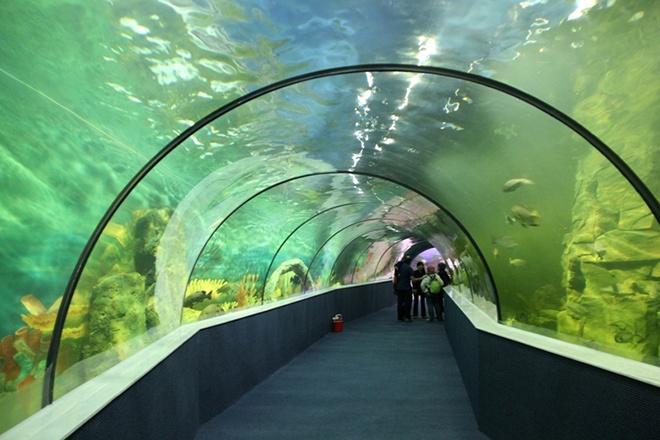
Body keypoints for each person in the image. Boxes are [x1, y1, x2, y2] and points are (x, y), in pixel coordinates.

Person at [393, 255, 414, 322]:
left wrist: (394, 287)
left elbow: (395, 277)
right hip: (406, 288)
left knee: (400, 302)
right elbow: (413, 279)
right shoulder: (409, 268)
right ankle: (406, 316)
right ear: (410, 262)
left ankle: (400, 316)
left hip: (399, 287)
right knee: (407, 302)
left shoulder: (399, 267)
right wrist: (422, 278)